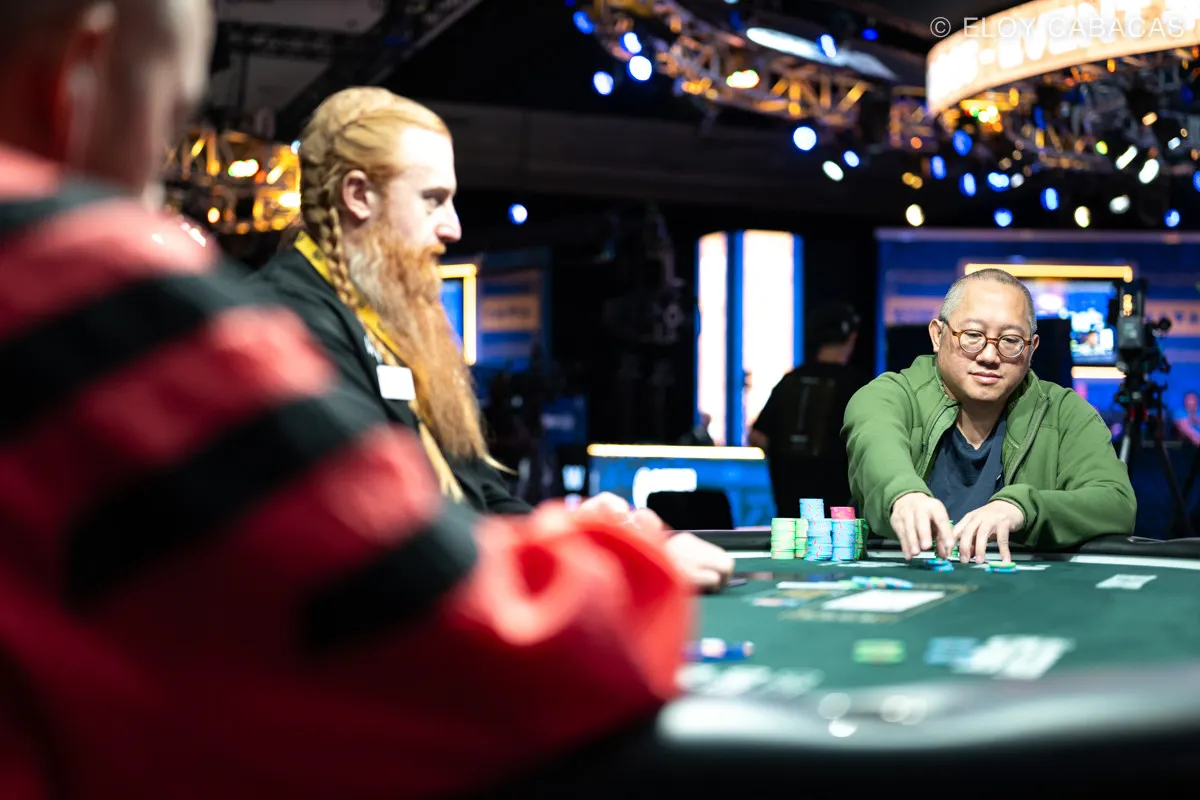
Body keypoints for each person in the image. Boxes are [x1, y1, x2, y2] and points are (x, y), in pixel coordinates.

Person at [0, 2, 702, 797]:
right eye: (166, 119)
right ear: (78, 78)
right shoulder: (79, 278)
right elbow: (476, 645)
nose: (158, 176)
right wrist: (626, 561)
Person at [248, 87, 732, 587]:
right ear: (358, 196)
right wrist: (597, 560)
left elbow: (477, 494)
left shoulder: (380, 315)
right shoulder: (285, 322)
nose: (453, 228)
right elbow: (379, 523)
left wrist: (583, 536)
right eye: (433, 200)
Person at [843, 269, 1136, 563]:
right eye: (972, 335)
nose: (989, 356)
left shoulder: (1065, 413)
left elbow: (1116, 503)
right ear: (937, 335)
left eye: (1010, 340)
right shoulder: (888, 397)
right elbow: (878, 449)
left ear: (1032, 348)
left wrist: (1021, 508)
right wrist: (905, 496)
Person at [749, 303, 868, 517]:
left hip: (790, 510)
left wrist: (787, 458)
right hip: (840, 514)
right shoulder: (858, 385)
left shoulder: (789, 381)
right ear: (851, 338)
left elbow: (757, 436)